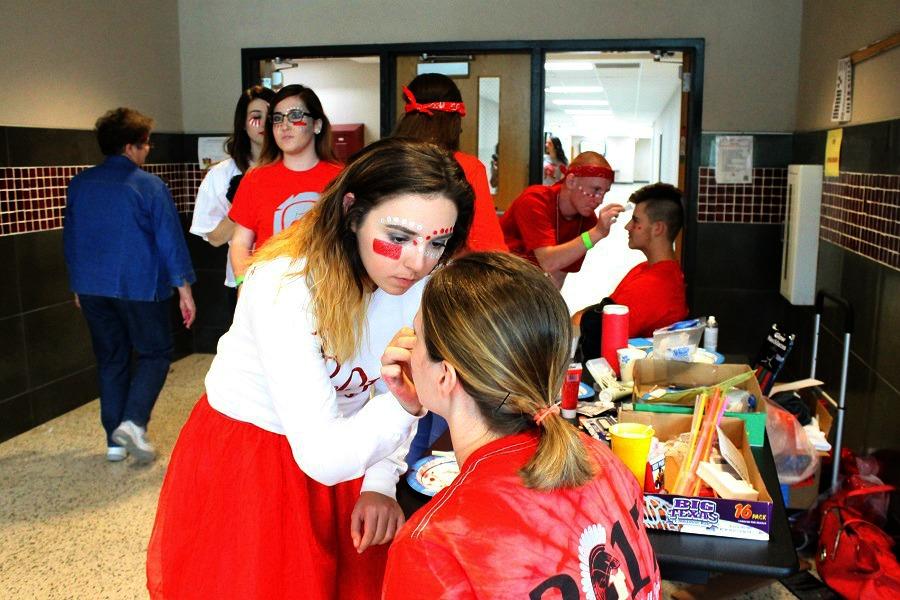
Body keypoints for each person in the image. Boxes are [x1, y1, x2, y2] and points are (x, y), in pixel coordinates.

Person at [146, 138, 474, 599]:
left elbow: (387, 387)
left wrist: (380, 481)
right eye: (398, 238)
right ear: (352, 211)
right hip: (257, 464)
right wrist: (407, 405)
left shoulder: (420, 283)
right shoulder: (285, 285)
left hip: (355, 451)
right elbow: (329, 450)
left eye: (437, 243)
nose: (417, 262)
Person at [381, 252, 660, 598]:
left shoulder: (434, 546)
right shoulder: (602, 459)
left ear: (446, 375)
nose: (406, 343)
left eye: (418, 334)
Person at [63, 108, 196, 464]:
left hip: (92, 287)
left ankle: (114, 442)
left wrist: (78, 283)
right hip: (139, 286)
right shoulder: (149, 186)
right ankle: (133, 422)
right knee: (154, 353)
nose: (148, 149)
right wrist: (183, 287)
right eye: (145, 143)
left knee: (111, 357)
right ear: (129, 147)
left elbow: (72, 236)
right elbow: (169, 240)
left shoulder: (80, 184)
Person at [228, 83, 342, 280]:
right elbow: (240, 243)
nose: (284, 125)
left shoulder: (342, 178)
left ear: (317, 125)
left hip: (327, 293)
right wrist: (243, 283)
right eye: (278, 119)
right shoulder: (255, 179)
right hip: (269, 293)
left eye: (295, 116)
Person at [574, 183, 689, 363]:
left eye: (636, 221)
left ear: (658, 228)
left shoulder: (655, 284)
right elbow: (604, 309)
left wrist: (579, 320)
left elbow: (599, 331)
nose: (628, 227)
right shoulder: (646, 268)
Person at [394, 73, 508, 253]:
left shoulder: (379, 159)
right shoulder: (466, 167)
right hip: (440, 275)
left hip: (381, 272)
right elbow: (488, 246)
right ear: (454, 122)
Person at [189, 85, 275, 295]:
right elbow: (215, 238)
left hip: (293, 278)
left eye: (271, 116)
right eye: (256, 116)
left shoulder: (294, 168)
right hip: (243, 280)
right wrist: (242, 205)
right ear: (243, 124)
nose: (263, 122)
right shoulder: (222, 175)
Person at [501, 151, 625, 289]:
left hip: (529, 285)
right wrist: (597, 233)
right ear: (571, 181)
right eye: (595, 190)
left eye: (604, 192)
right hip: (496, 279)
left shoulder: (588, 221)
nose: (600, 200)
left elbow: (559, 274)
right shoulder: (535, 201)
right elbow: (548, 262)